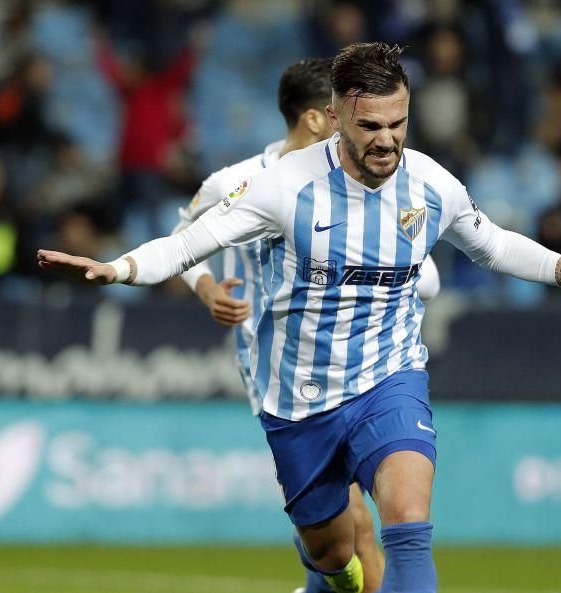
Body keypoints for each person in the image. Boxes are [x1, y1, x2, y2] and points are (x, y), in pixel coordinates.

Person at [38, 42, 561, 593]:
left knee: (408, 523)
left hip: (389, 379)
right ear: (335, 116)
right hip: (300, 398)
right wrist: (115, 270)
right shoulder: (282, 187)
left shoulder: (429, 184)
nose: (387, 140)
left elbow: (495, 244)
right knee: (335, 553)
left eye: (398, 123)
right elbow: (183, 245)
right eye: (370, 126)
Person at [171, 57, 437, 593]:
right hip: (275, 367)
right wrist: (206, 289)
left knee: (359, 523)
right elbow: (182, 233)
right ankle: (324, 573)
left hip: (356, 364)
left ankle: (321, 580)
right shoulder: (239, 181)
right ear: (318, 119)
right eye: (342, 112)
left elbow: (424, 272)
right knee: (351, 523)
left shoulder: (359, 184)